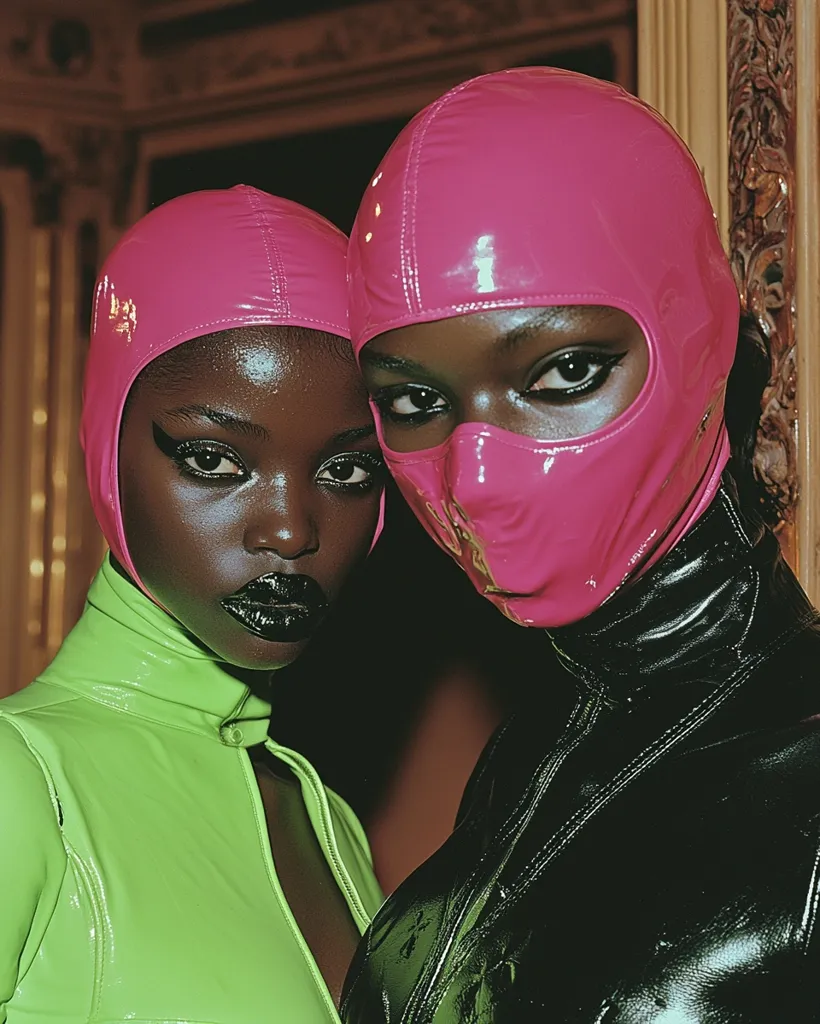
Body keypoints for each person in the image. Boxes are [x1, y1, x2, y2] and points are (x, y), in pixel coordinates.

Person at [340, 68, 820, 1022]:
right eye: (415, 403)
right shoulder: (525, 754)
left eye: (562, 372)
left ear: (708, 339)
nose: (472, 479)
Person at [0, 185, 385, 1023]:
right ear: (107, 448)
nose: (290, 529)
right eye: (214, 460)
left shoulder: (328, 817)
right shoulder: (18, 782)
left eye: (348, 470)